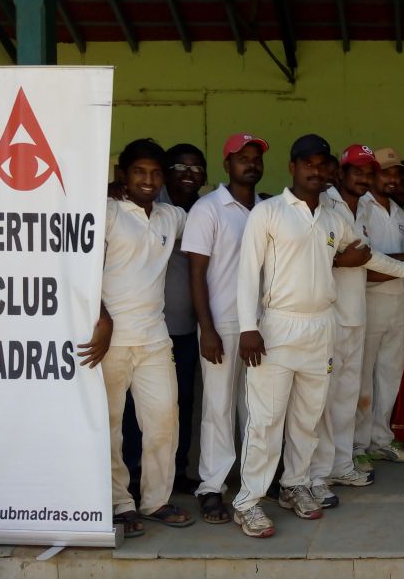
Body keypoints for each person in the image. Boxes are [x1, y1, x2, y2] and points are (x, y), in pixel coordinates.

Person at [232, 135, 404, 536]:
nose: (315, 171)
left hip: (321, 325)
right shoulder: (268, 213)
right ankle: (248, 501)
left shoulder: (332, 218)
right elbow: (247, 274)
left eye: (321, 164)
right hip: (277, 326)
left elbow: (364, 254)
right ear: (292, 167)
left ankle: (295, 484)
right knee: (266, 420)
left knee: (308, 417)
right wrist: (248, 328)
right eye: (307, 164)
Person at [80, 138, 194, 538]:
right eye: (139, 172)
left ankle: (155, 500)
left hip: (154, 337)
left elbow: (208, 224)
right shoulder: (108, 212)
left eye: (156, 173)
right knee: (111, 424)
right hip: (108, 340)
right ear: (123, 175)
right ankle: (119, 503)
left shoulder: (170, 217)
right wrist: (102, 317)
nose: (148, 180)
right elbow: (81, 268)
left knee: (164, 418)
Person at [310, 144, 404, 505]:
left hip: (366, 309)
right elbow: (355, 260)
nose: (375, 178)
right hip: (339, 309)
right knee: (337, 393)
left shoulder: (382, 210)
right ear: (340, 173)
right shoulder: (329, 205)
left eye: (373, 172)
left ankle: (353, 455)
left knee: (362, 386)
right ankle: (332, 462)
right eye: (365, 172)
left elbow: (365, 257)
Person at [182, 132, 267, 524]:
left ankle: (253, 482)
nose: (251, 164)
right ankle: (212, 486)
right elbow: (196, 272)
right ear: (227, 164)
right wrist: (207, 328)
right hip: (223, 323)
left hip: (262, 325)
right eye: (242, 158)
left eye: (256, 158)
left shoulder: (268, 209)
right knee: (218, 407)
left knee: (257, 409)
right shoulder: (208, 208)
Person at [119, 143, 206, 498]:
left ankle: (172, 478)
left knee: (175, 406)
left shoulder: (188, 213)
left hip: (179, 331)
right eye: (180, 167)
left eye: (196, 168)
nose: (189, 174)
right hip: (128, 332)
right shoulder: (122, 210)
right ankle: (129, 483)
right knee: (127, 413)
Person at [354, 147, 404, 470]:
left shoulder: (398, 212)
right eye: (385, 172)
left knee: (390, 373)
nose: (392, 179)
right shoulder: (360, 207)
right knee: (363, 376)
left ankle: (381, 439)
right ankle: (357, 445)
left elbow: (398, 260)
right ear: (372, 174)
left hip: (398, 298)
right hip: (370, 299)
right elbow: (365, 262)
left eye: (396, 173)